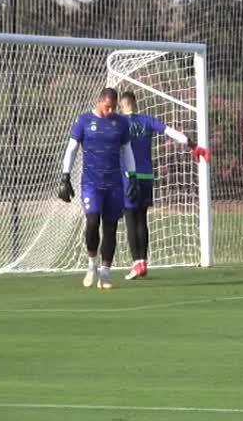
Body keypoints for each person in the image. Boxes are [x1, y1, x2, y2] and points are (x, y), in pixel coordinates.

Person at [117, 91, 211, 280]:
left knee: (131, 219)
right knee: (142, 219)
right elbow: (171, 132)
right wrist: (194, 146)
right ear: (135, 103)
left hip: (129, 176)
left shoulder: (119, 123)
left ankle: (137, 263)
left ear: (122, 105)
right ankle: (143, 263)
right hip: (147, 176)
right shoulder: (147, 120)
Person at [58, 87, 139, 289]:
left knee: (110, 227)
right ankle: (91, 264)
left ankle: (105, 273)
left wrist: (133, 176)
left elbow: (127, 151)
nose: (110, 111)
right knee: (93, 221)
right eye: (107, 107)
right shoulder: (84, 121)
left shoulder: (121, 123)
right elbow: (72, 148)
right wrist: (65, 176)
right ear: (99, 101)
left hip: (114, 184)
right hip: (91, 184)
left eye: (113, 107)